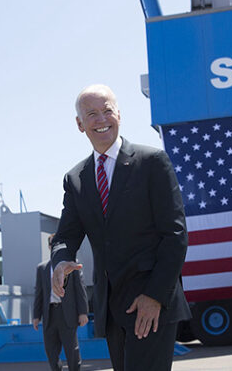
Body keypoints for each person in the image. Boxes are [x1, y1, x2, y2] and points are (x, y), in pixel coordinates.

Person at [50, 84, 191, 371]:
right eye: (91, 114)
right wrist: (61, 260)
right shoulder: (76, 178)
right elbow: (66, 235)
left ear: (119, 115)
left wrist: (154, 296)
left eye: (107, 111)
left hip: (151, 301)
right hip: (111, 308)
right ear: (80, 124)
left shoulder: (152, 162)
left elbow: (175, 236)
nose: (101, 120)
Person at [33, 235, 89, 371]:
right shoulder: (42, 268)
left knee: (72, 351)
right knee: (51, 351)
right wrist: (36, 316)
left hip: (67, 314)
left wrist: (83, 313)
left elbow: (80, 289)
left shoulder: (71, 265)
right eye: (52, 245)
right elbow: (39, 294)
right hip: (50, 314)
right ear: (49, 247)